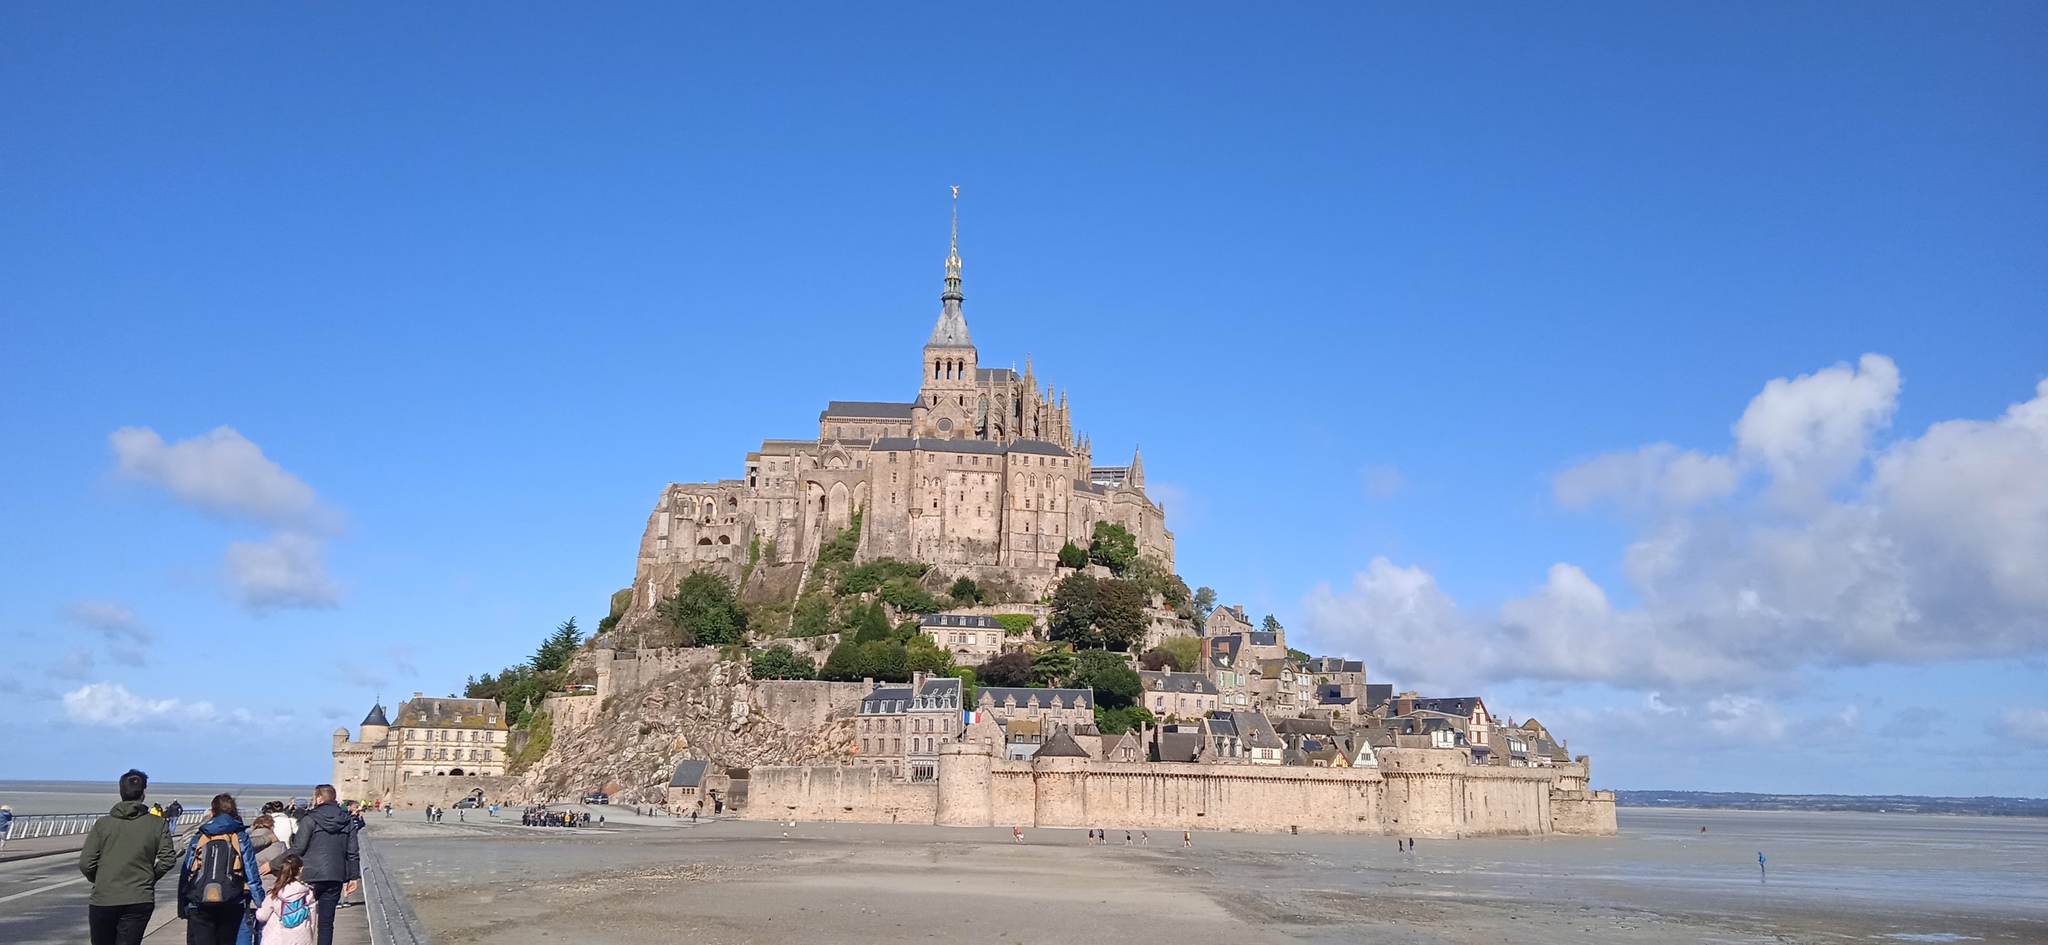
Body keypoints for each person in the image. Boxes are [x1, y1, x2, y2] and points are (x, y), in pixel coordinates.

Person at [79, 769, 177, 945]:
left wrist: (100, 880)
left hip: (104, 898)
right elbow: (168, 859)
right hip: (139, 897)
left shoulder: (103, 825)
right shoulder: (158, 824)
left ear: (120, 791)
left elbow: (86, 863)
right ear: (143, 793)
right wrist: (150, 877)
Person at [179, 793, 265, 945]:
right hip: (232, 900)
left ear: (212, 812)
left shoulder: (200, 836)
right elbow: (251, 873)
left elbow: (187, 871)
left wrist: (182, 903)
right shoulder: (240, 836)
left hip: (200, 900)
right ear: (234, 813)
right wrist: (260, 902)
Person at [286, 785, 360, 945]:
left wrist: (274, 863)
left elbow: (298, 848)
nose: (313, 800)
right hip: (335, 875)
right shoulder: (347, 820)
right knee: (326, 923)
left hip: (310, 875)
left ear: (319, 798)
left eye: (314, 797)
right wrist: (353, 876)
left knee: (302, 919)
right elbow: (352, 851)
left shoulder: (310, 818)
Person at [254, 854, 316, 945]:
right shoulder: (307, 893)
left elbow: (262, 916)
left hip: (276, 938)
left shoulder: (275, 893)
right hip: (301, 938)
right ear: (301, 869)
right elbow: (312, 919)